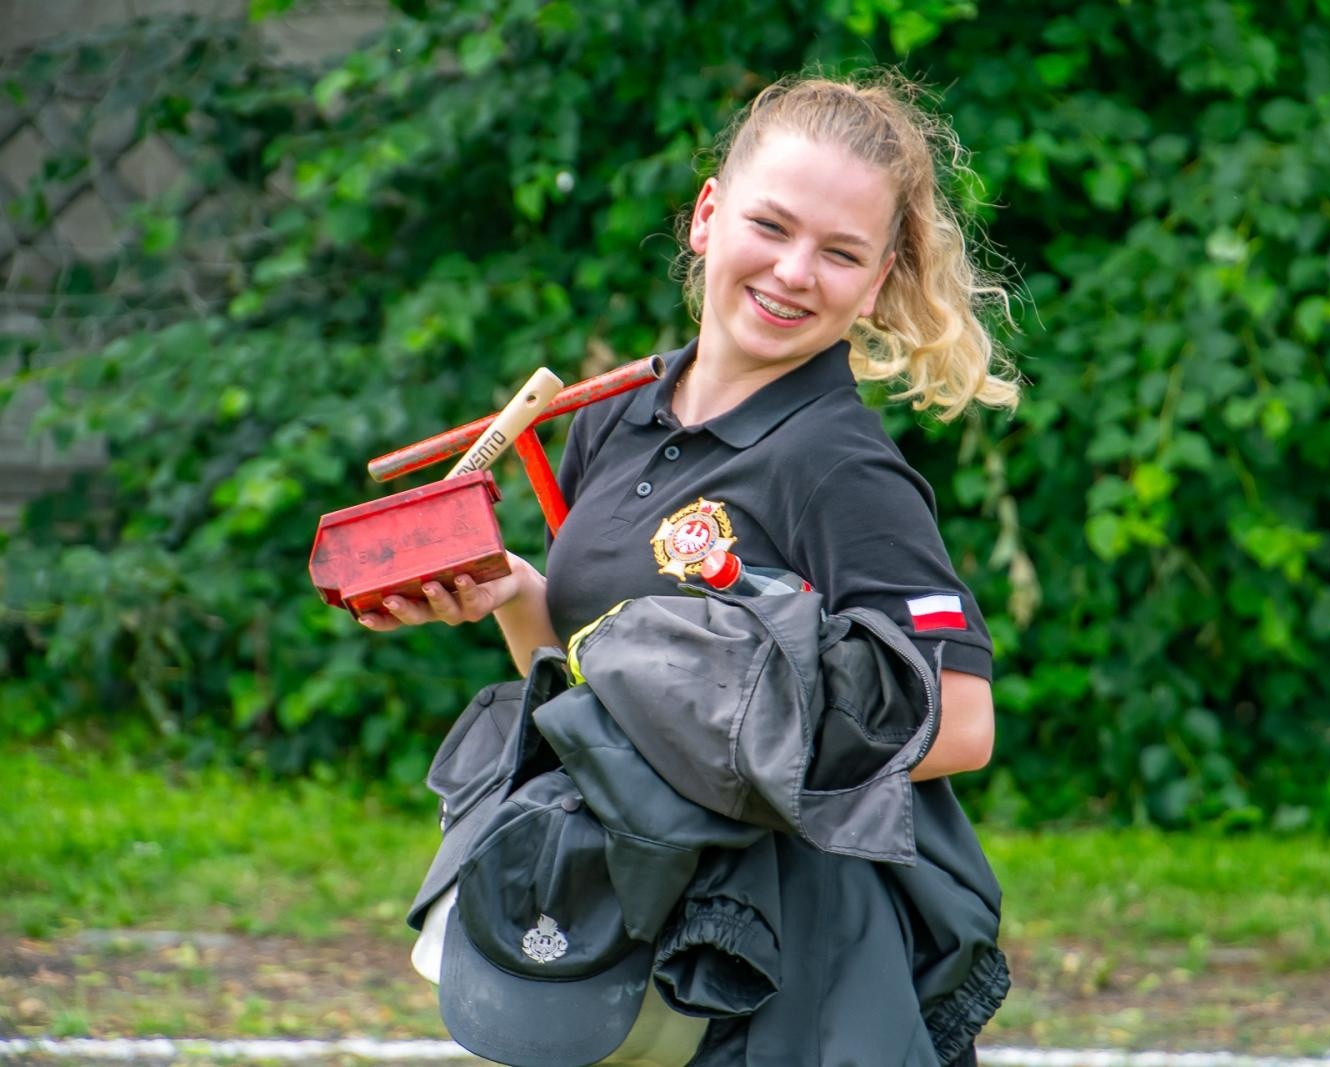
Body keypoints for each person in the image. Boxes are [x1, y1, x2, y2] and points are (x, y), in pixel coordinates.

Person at [361, 70, 1020, 1060]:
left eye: (840, 253)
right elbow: (602, 681)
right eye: (772, 226)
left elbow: (960, 721)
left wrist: (736, 743)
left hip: (792, 977)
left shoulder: (837, 467)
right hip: (637, 942)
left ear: (878, 281)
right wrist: (511, 593)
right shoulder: (614, 418)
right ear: (709, 214)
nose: (796, 271)